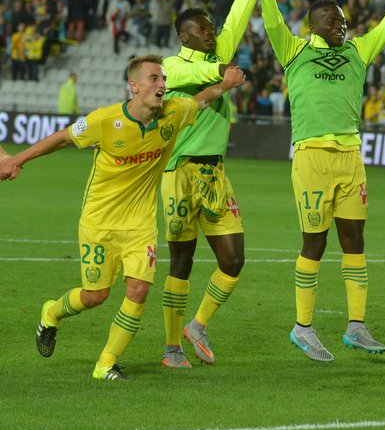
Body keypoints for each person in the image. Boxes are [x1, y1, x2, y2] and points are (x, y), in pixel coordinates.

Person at [0, 55, 244, 381]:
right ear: (134, 86)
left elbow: (200, 100)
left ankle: (106, 364)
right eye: (154, 79)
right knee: (95, 296)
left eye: (163, 79)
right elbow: (62, 138)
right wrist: (18, 159)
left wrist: (226, 85)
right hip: (99, 222)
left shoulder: (174, 112)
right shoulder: (105, 120)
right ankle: (51, 312)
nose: (162, 85)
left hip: (140, 224)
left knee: (139, 290)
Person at [256, 0, 385, 361]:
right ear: (314, 26)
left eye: (344, 22)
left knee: (355, 240)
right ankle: (303, 328)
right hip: (312, 157)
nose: (342, 28)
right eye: (333, 22)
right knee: (314, 241)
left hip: (351, 158)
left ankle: (356, 326)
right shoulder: (293, 51)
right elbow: (272, 18)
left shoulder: (357, 51)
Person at [158, 0, 265, 369]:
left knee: (234, 259)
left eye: (210, 27)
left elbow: (240, 11)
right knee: (181, 261)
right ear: (185, 36)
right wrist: (221, 75)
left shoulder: (218, 53)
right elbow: (188, 75)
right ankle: (171, 348)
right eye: (202, 29)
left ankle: (197, 324)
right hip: (179, 172)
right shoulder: (171, 66)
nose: (211, 32)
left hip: (215, 174)